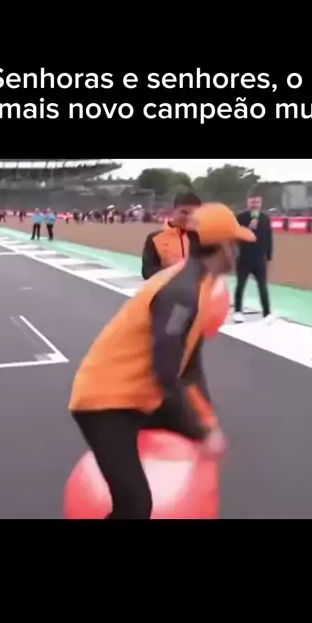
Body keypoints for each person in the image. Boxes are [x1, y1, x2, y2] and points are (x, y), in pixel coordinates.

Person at [69, 203, 256, 520]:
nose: (237, 252)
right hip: (106, 401)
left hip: (140, 394)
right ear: (224, 246)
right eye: (235, 244)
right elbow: (167, 372)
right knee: (135, 505)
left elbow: (189, 366)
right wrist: (199, 426)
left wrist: (206, 426)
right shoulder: (182, 292)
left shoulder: (201, 284)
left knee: (203, 438)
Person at [233, 195, 275, 324]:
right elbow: (234, 234)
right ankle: (238, 311)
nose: (254, 204)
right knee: (240, 285)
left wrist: (269, 255)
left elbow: (269, 237)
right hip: (244, 257)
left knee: (262, 286)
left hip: (259, 258)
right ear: (248, 203)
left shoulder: (265, 218)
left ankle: (267, 312)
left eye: (257, 202)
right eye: (252, 202)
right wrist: (247, 229)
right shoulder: (240, 217)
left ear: (261, 203)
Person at [141, 192, 202, 279]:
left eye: (193, 213)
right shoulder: (155, 238)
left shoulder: (203, 237)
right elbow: (147, 271)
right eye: (184, 212)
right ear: (173, 210)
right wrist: (177, 274)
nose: (188, 217)